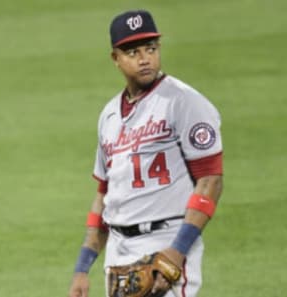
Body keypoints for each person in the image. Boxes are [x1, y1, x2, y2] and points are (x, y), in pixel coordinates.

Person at [68, 9, 224, 297]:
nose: (144, 58)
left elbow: (210, 181)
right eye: (132, 51)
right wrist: (82, 267)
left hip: (167, 240)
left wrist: (177, 251)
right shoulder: (109, 116)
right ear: (115, 58)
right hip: (117, 250)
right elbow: (104, 194)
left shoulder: (184, 102)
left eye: (150, 49)